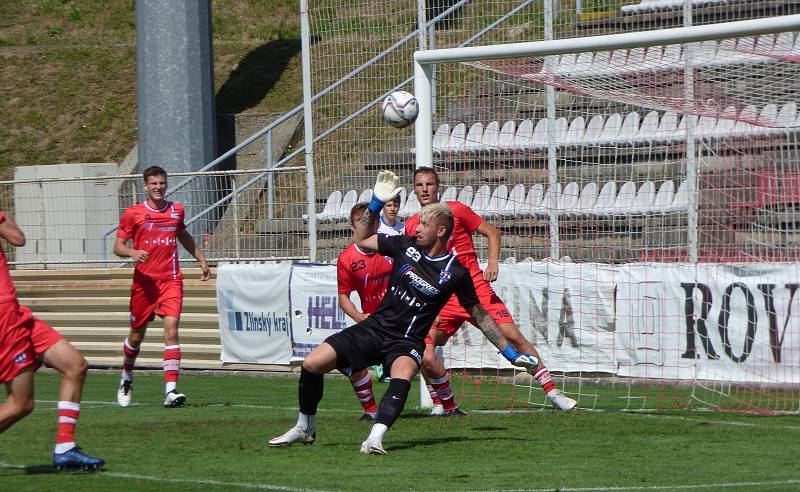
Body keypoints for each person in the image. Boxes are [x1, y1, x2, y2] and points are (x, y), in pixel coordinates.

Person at [268, 171, 541, 454]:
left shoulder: (456, 273)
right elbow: (362, 239)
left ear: (441, 231)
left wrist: (509, 353)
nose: (417, 227)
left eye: (424, 224)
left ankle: (375, 438)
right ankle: (305, 426)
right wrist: (375, 203)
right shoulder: (405, 245)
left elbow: (481, 316)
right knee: (312, 363)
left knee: (402, 376)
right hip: (375, 328)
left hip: (407, 341)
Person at [404, 167, 576, 413]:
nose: (424, 189)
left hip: (475, 290)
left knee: (513, 337)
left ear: (437, 187)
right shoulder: (412, 226)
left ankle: (553, 392)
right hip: (443, 298)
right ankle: (440, 403)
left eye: (429, 184)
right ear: (414, 189)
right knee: (423, 345)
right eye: (420, 185)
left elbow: (492, 232)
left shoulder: (457, 211)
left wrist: (493, 262)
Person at [0, 211, 104, 470]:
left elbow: (17, 239)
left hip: (15, 313)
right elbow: (17, 238)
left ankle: (65, 447)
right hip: (4, 316)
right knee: (21, 404)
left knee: (75, 365)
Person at [113, 166, 210, 408]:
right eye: (154, 184)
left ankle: (171, 390)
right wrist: (131, 252)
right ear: (145, 186)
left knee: (172, 330)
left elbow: (183, 235)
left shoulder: (176, 210)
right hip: (144, 284)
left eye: (162, 183)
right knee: (136, 337)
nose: (158, 187)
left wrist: (201, 259)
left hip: (171, 280)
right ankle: (126, 376)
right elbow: (118, 246)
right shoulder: (133, 213)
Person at [337, 202, 393, 420]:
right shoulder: (347, 258)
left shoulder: (390, 246)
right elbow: (344, 298)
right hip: (372, 323)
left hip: (400, 319)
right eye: (362, 223)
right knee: (349, 360)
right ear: (353, 228)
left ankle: (446, 407)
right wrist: (359, 317)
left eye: (371, 222)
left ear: (378, 224)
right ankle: (371, 411)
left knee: (426, 357)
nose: (367, 227)